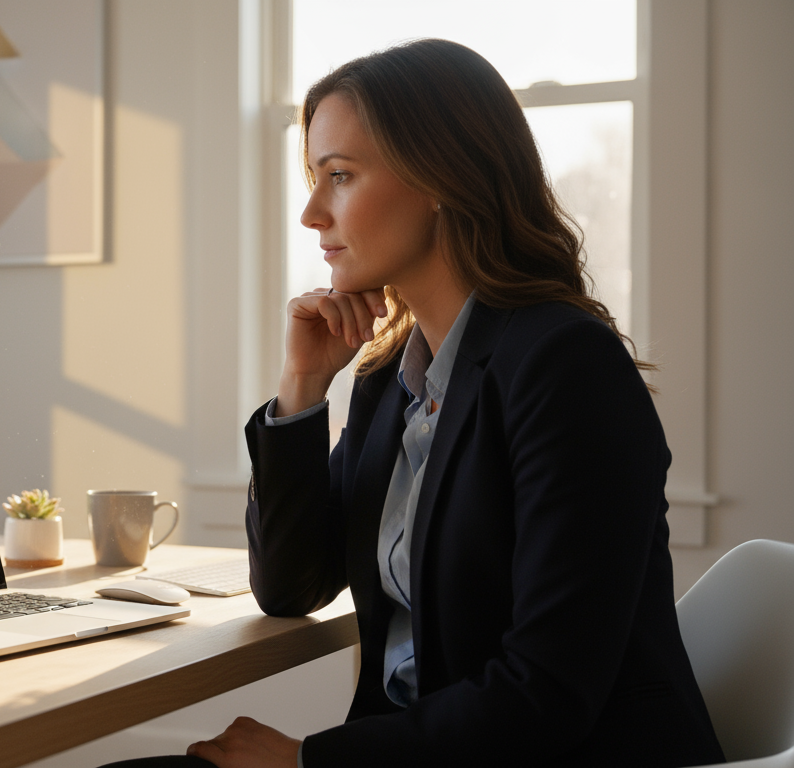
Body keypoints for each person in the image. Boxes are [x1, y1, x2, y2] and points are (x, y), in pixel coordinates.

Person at [104, 39, 724, 768]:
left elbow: (548, 695)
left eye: (339, 176)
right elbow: (291, 585)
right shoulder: (391, 375)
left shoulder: (564, 366)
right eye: (313, 177)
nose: (310, 213)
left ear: (442, 178)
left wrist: (306, 761)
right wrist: (303, 389)